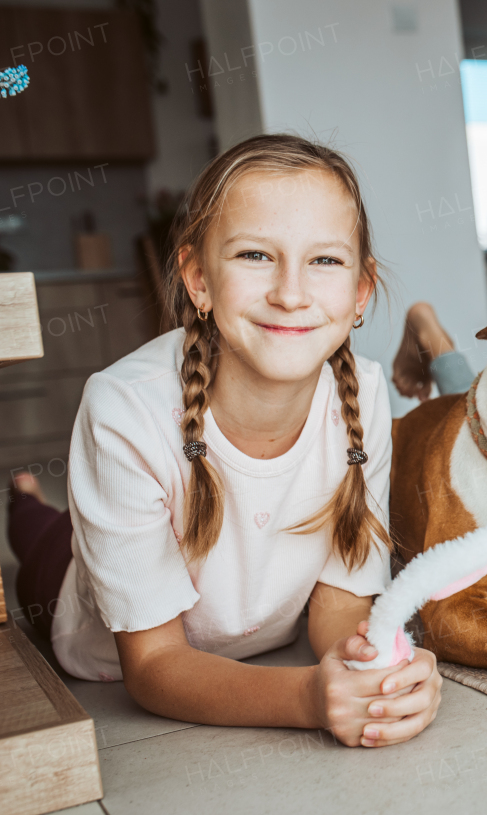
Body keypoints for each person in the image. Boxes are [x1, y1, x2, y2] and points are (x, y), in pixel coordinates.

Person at [7, 134, 441, 748]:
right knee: (40, 539)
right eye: (255, 255)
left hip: (258, 638)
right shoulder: (122, 410)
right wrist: (308, 698)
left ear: (360, 293)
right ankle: (24, 499)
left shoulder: (364, 395)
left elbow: (340, 603)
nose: (291, 292)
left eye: (324, 261)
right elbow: (155, 665)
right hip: (90, 625)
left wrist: (372, 668)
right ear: (197, 279)